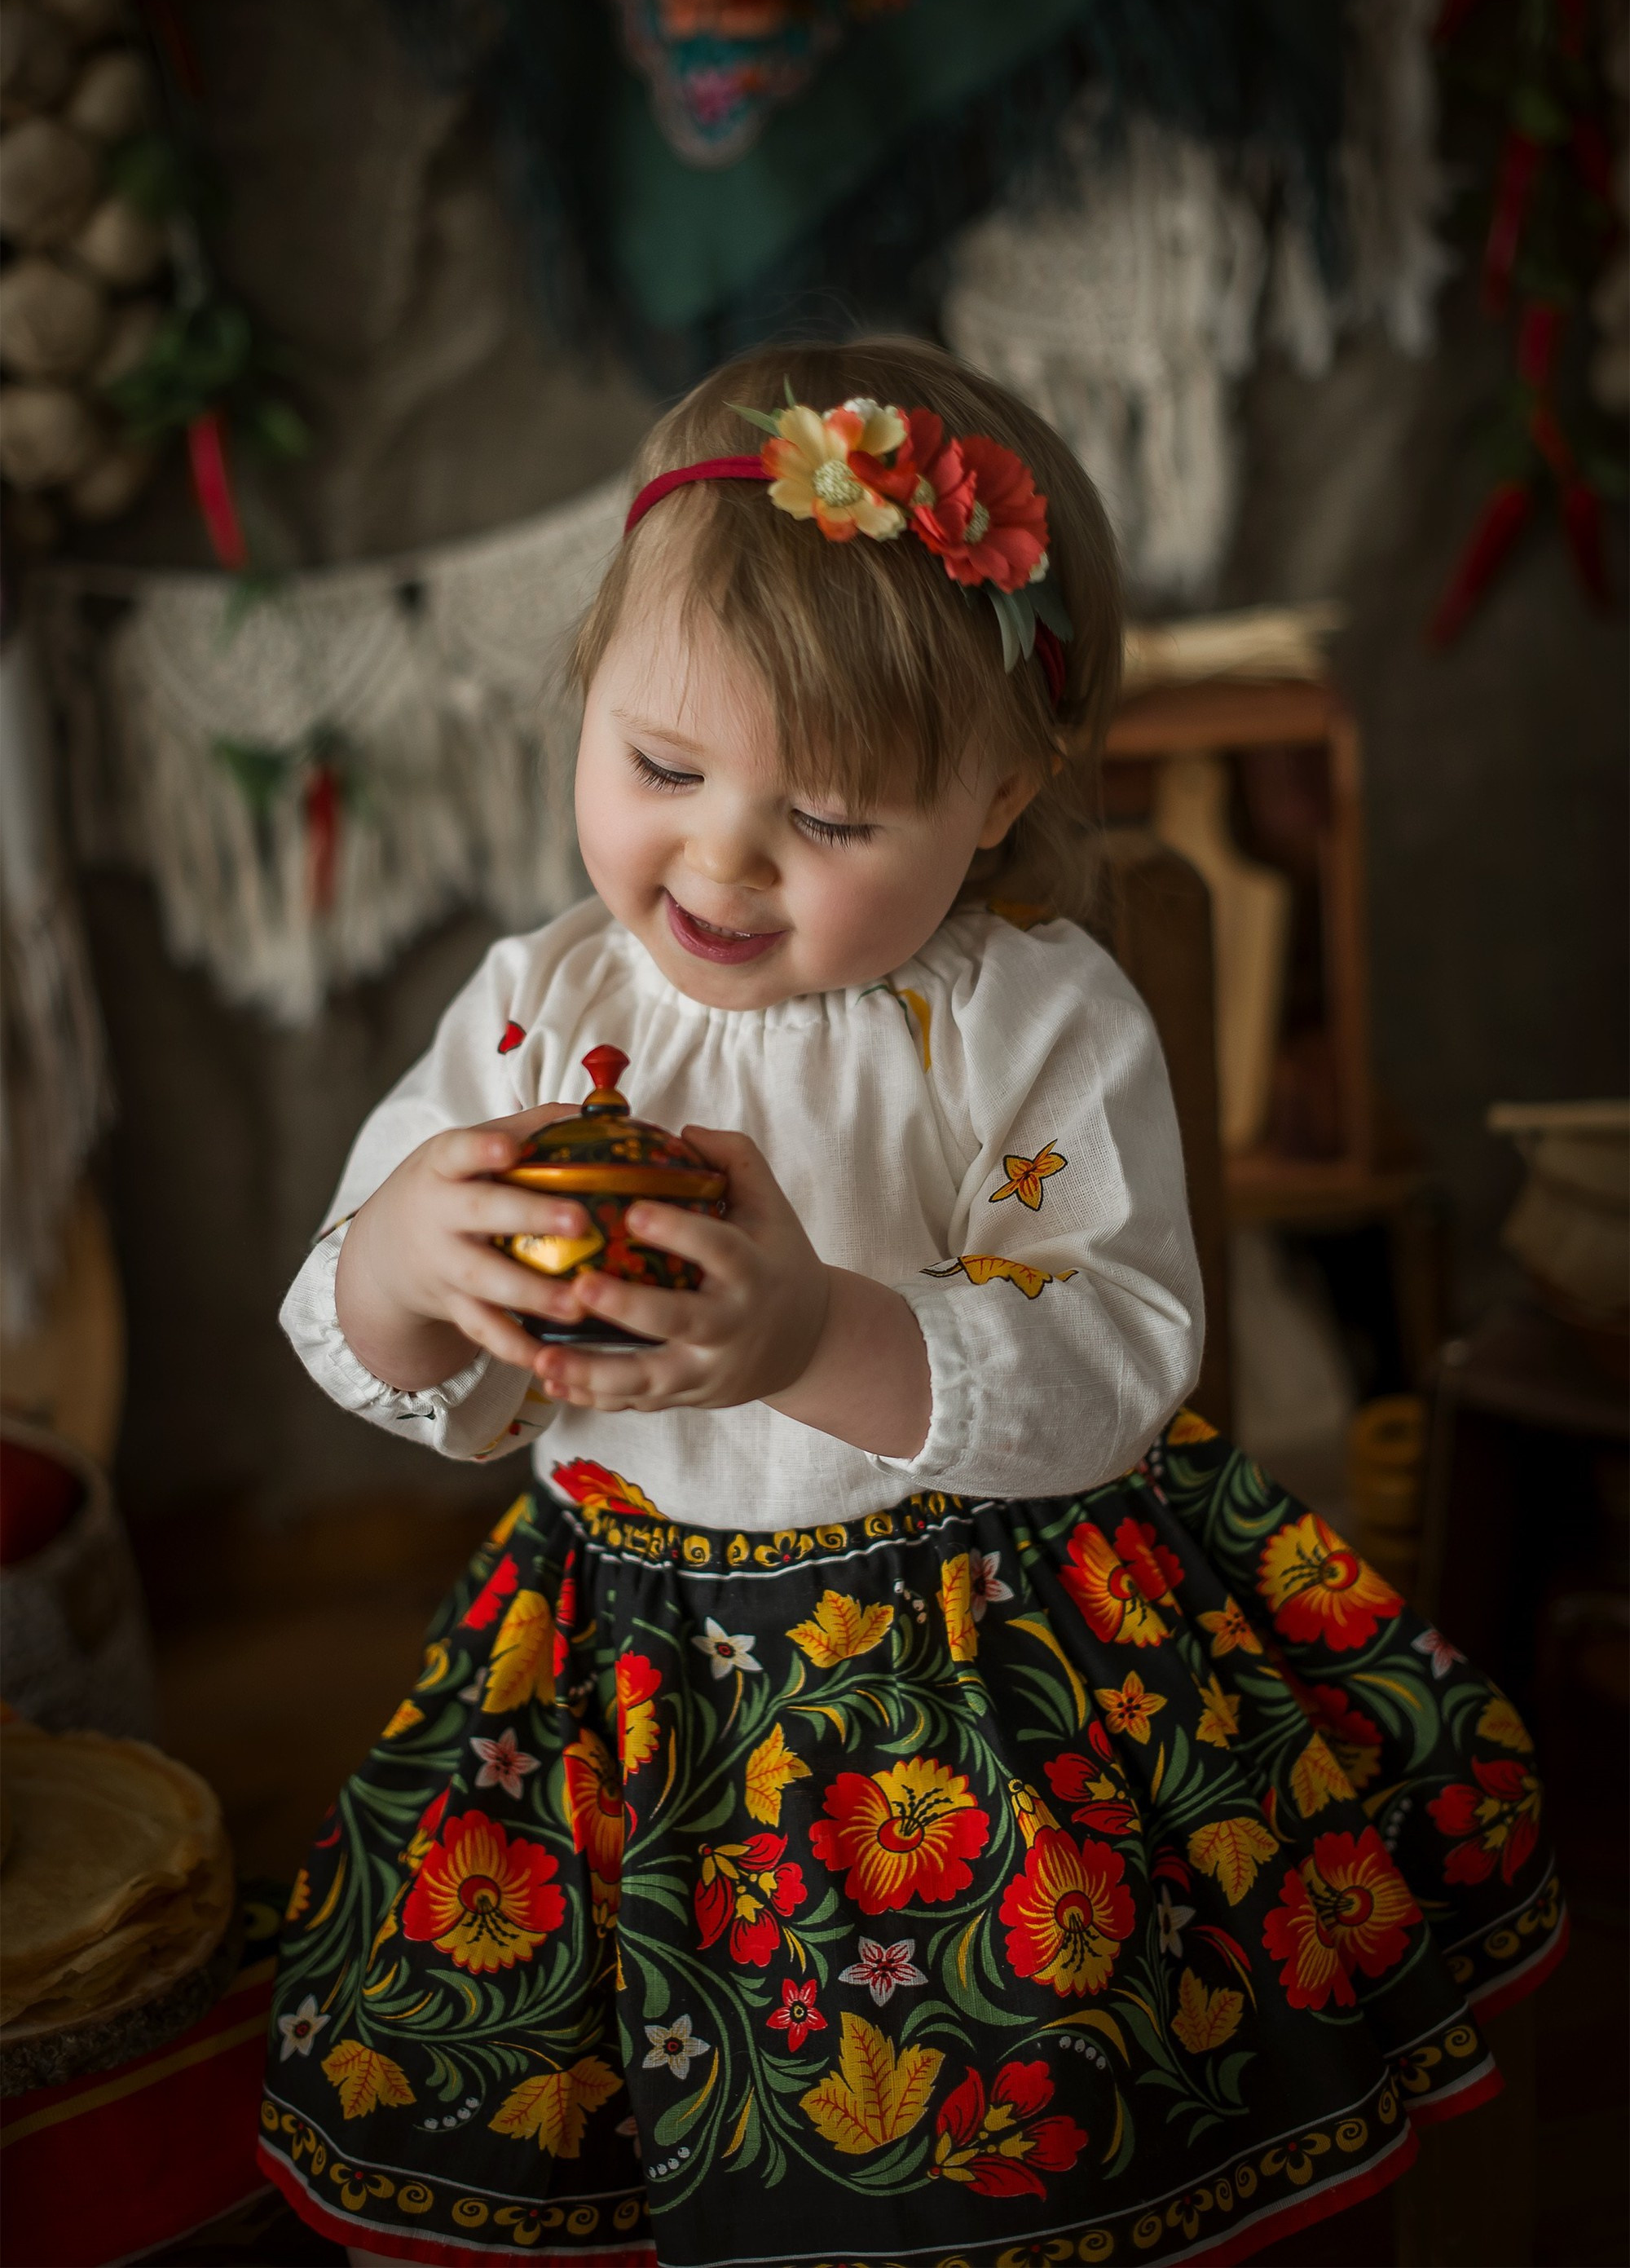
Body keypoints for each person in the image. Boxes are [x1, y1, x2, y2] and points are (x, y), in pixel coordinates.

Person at [259, 340, 1564, 2268]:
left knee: (1004, 2101)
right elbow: (353, 1325)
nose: (719, 857)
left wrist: (813, 1342)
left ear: (998, 789)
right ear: (587, 703)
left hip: (979, 1659)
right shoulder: (543, 1004)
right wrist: (400, 1268)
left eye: (839, 816)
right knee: (608, 2082)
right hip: (629, 1660)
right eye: (661, 764)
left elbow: (1117, 1353)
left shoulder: (1025, 1021)